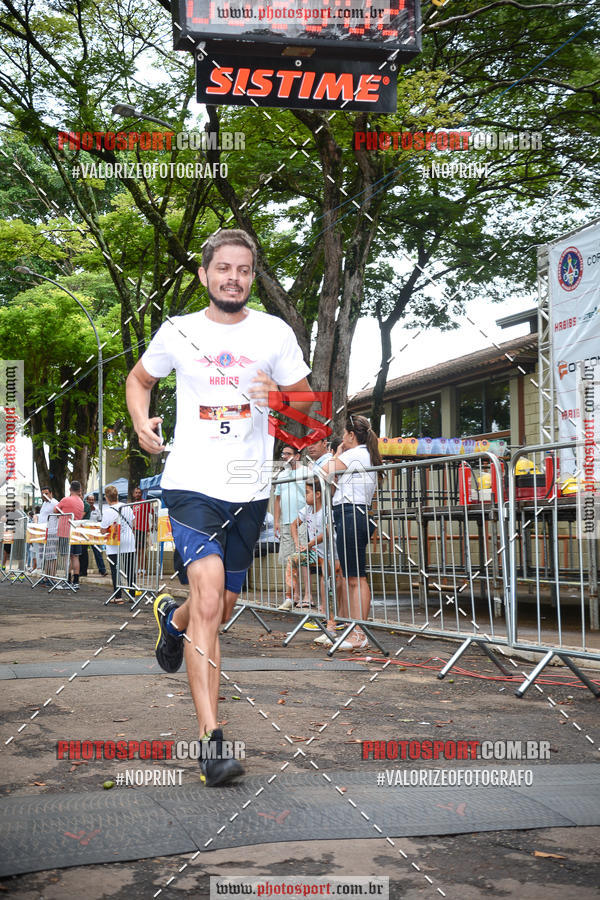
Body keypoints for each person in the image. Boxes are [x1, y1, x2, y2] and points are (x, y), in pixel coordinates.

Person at [126, 228, 311, 787]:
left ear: (252, 277)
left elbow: (309, 410)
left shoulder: (274, 332)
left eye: (244, 270)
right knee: (208, 597)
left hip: (248, 489)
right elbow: (139, 379)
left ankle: (172, 620)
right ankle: (212, 742)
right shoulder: (178, 330)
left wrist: (277, 398)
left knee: (220, 606)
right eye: (224, 268)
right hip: (191, 484)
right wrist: (140, 422)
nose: (234, 278)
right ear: (205, 274)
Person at [323, 415, 382, 650]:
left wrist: (336, 454)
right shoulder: (364, 454)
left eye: (344, 434)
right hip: (351, 513)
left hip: (351, 513)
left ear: (350, 435)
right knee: (351, 576)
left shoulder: (355, 454)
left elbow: (323, 471)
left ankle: (359, 632)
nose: (342, 439)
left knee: (356, 577)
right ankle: (354, 629)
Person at [274, 446, 309, 610]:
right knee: (289, 560)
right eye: (283, 454)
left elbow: (311, 495)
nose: (284, 456)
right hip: (286, 521)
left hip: (302, 521)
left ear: (297, 456)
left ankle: (307, 595)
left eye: (288, 454)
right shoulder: (282, 475)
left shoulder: (306, 472)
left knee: (303, 558)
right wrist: (276, 521)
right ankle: (293, 595)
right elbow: (277, 500)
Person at [285, 480, 324, 609]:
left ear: (317, 494)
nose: (304, 496)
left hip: (330, 553)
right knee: (294, 559)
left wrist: (310, 544)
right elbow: (293, 525)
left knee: (328, 575)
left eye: (307, 492)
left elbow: (328, 532)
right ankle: (291, 597)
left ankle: (327, 606)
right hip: (314, 552)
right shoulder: (307, 509)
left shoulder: (326, 510)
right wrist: (298, 544)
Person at [100, 484, 136, 602]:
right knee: (130, 569)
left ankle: (118, 596)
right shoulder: (127, 507)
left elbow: (103, 530)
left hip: (114, 542)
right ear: (117, 495)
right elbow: (134, 523)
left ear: (107, 498)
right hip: (129, 540)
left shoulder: (107, 511)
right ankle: (132, 595)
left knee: (115, 569)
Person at [55, 481, 84, 589]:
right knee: (75, 557)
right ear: (79, 490)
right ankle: (76, 581)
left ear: (70, 489)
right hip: (76, 532)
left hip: (65, 531)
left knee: (66, 557)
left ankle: (67, 580)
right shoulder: (81, 502)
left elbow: (55, 510)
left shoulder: (65, 500)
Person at [80, 494, 107, 577]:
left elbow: (100, 521)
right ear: (87, 500)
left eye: (93, 500)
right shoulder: (84, 509)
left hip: (95, 534)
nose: (91, 501)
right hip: (85, 533)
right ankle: (83, 571)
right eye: (90, 500)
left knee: (97, 552)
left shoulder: (97, 510)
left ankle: (102, 570)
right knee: (84, 553)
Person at [132, 485, 153, 576]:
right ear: (133, 494)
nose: (137, 494)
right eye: (136, 493)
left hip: (143, 529)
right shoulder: (133, 504)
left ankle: (143, 570)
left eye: (139, 493)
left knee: (142, 551)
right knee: (137, 551)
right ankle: (139, 569)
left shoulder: (145, 502)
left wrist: (153, 524)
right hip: (135, 530)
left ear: (141, 494)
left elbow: (153, 513)